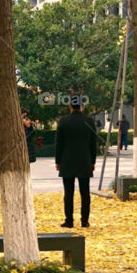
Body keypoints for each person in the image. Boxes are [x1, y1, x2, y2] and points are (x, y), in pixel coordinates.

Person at [55, 94, 97, 228]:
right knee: (85, 193)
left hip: (67, 162)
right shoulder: (89, 122)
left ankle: (69, 221)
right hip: (85, 161)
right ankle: (84, 221)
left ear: (70, 106)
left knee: (68, 193)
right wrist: (93, 161)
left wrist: (58, 161)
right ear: (82, 106)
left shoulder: (63, 122)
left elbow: (59, 144)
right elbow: (93, 144)